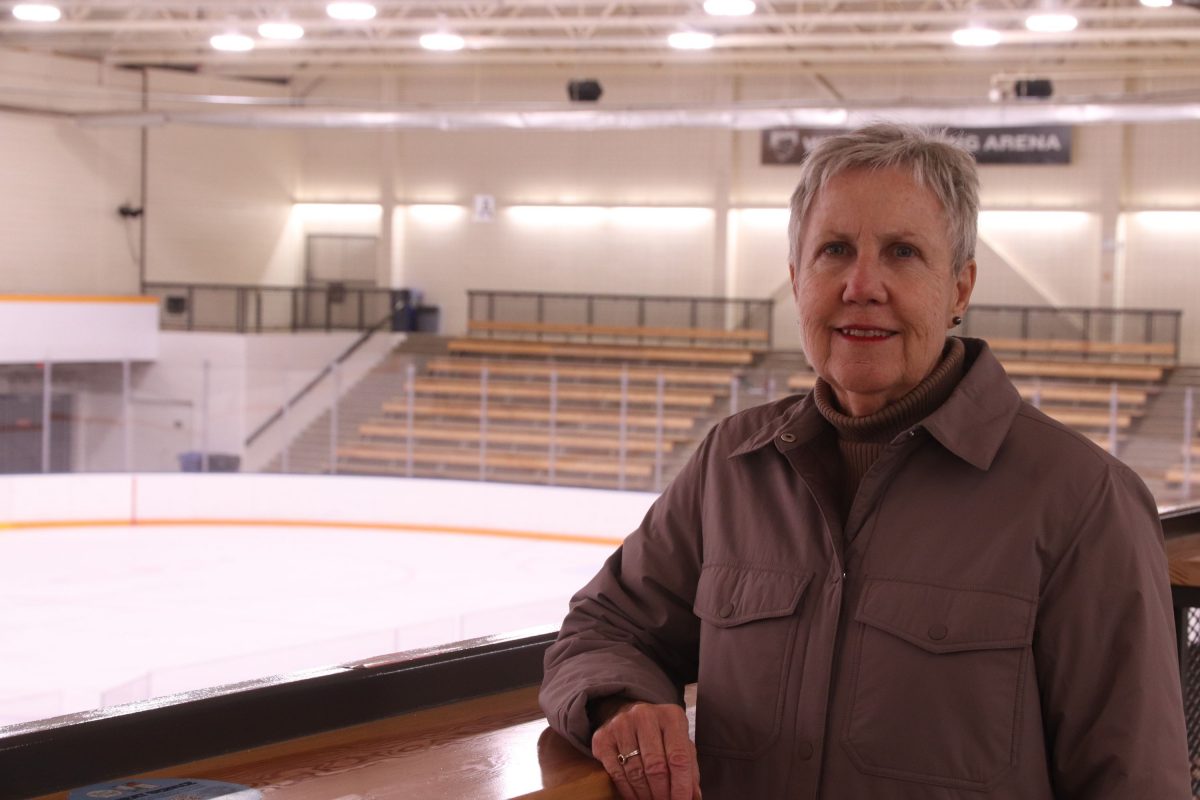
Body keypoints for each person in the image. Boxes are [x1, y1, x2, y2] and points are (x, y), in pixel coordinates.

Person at [539, 122, 1191, 799]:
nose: (862, 285)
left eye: (903, 253)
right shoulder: (731, 468)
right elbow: (601, 628)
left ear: (960, 289)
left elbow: (1135, 781)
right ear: (797, 281)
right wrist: (623, 705)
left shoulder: (1083, 502)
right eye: (835, 250)